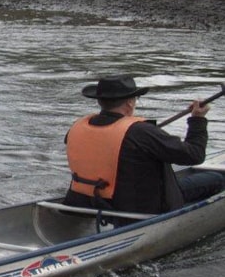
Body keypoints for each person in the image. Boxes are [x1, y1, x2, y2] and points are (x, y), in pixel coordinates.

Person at [63, 74, 224, 218]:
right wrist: (198, 120)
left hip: (84, 200)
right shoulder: (141, 132)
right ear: (129, 103)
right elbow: (194, 155)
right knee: (216, 179)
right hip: (133, 207)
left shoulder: (77, 127)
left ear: (100, 102)